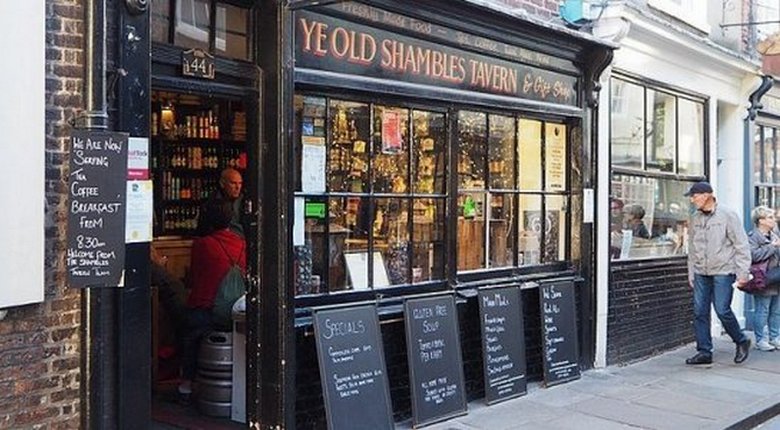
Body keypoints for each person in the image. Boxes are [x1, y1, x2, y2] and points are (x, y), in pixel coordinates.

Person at [179, 199, 247, 401]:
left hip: (206, 311)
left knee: (188, 334)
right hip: (236, 312)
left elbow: (195, 278)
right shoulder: (243, 244)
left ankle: (186, 386)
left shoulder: (202, 245)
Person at [685, 181, 752, 365]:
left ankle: (741, 340)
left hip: (723, 270)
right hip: (700, 271)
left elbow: (741, 244)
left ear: (707, 195)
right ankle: (704, 351)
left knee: (722, 310)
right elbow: (692, 247)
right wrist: (691, 272)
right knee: (699, 312)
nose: (692, 200)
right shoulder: (695, 217)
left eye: (695, 196)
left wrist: (743, 273)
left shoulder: (727, 215)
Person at [746, 206, 780, 351]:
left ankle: (775, 337)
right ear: (761, 221)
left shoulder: (774, 234)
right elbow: (753, 256)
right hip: (763, 278)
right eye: (770, 217)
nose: (774, 220)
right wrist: (772, 247)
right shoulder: (753, 236)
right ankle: (760, 340)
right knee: (762, 309)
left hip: (777, 277)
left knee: (776, 310)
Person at [197, 167, 245, 236]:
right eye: (233, 183)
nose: (238, 187)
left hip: (240, 242)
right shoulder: (211, 203)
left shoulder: (244, 200)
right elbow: (203, 230)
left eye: (240, 183)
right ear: (222, 184)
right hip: (218, 241)